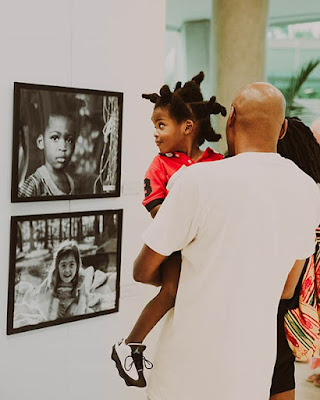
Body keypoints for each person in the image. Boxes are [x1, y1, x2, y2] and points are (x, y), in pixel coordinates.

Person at [133, 82, 320, 400]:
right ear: (283, 129)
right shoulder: (307, 191)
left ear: (230, 117)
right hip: (251, 372)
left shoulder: (196, 180)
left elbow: (142, 270)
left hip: (184, 374)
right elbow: (287, 289)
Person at [111, 72, 227, 387]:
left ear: (187, 127)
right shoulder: (160, 165)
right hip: (176, 246)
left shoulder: (218, 163)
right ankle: (129, 344)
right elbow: (156, 209)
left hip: (206, 250)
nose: (155, 133)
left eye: (160, 125)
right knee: (172, 292)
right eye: (154, 126)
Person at [270, 117, 320, 399]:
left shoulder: (295, 194)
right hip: (294, 307)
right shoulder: (309, 190)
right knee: (282, 376)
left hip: (279, 303)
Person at [18, 94, 78, 197]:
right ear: (41, 142)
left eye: (69, 140)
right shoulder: (34, 184)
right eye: (55, 138)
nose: (63, 147)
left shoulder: (71, 182)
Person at [37, 240, 90, 320]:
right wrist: (53, 308)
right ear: (57, 266)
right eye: (63, 265)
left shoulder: (79, 280)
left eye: (71, 265)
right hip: (57, 314)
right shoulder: (53, 279)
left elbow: (85, 300)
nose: (67, 270)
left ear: (77, 266)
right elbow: (41, 298)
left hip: (73, 313)